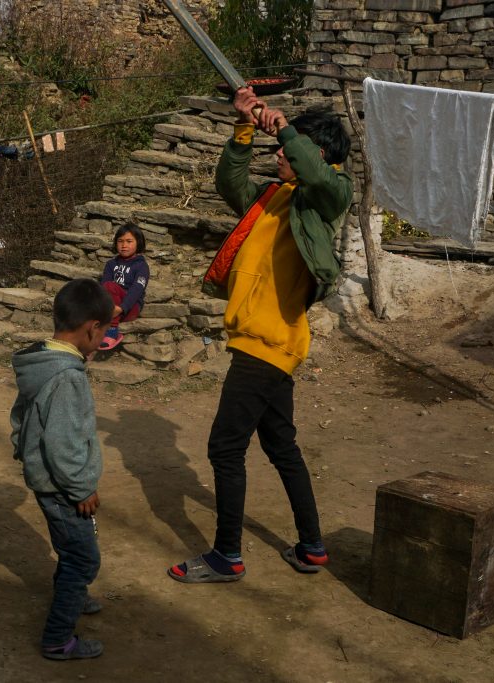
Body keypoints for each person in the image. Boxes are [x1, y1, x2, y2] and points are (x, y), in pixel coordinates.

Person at [168, 87, 353, 583]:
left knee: (225, 448)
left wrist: (288, 129)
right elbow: (229, 184)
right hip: (264, 343)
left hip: (266, 345)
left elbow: (314, 172)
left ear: (318, 155)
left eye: (288, 149)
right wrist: (245, 126)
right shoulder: (274, 197)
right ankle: (312, 547)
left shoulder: (328, 195)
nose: (280, 153)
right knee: (281, 446)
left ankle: (226, 556)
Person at [10, 278, 113, 660]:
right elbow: (65, 444)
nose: (103, 339)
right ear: (91, 329)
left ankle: (73, 596)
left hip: (45, 478)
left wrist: (21, 448)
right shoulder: (67, 378)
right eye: (103, 332)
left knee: (70, 549)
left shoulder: (40, 362)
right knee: (83, 558)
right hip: (62, 486)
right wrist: (82, 487)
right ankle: (58, 639)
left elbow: (21, 416)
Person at [98, 223, 149, 351]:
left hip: (129, 308)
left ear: (138, 243)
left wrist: (121, 308)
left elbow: (137, 289)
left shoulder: (141, 266)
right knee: (105, 286)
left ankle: (111, 330)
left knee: (111, 287)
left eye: (129, 241)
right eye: (120, 241)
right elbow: (104, 286)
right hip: (110, 308)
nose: (124, 245)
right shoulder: (111, 264)